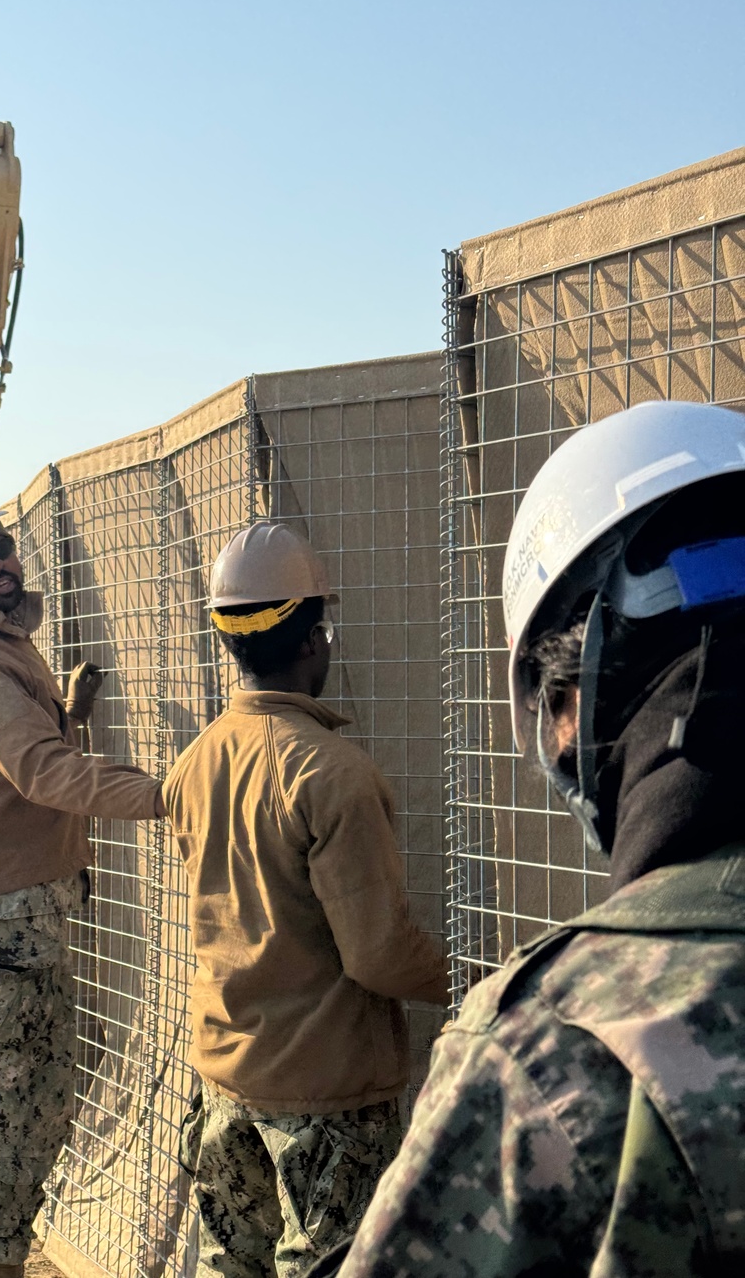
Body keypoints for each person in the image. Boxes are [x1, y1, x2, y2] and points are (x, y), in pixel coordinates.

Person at [321, 400, 745, 1277]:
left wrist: (474, 991)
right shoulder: (330, 772)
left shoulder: (547, 1057)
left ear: (565, 707)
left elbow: (370, 953)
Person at [163, 520, 446, 1278]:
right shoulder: (332, 773)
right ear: (315, 640)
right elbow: (379, 955)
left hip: (224, 1078)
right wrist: (476, 982)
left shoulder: (194, 763)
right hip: (326, 1095)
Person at [0, 477, 164, 1278]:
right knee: (29, 1089)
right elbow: (43, 773)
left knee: (0, 1071)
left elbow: (12, 754)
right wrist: (169, 793)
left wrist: (66, 712)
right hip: (0, 902)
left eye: (2, 546)